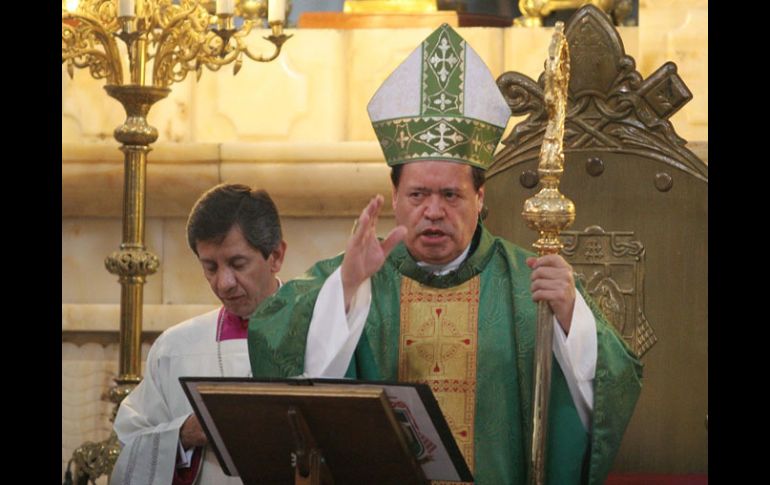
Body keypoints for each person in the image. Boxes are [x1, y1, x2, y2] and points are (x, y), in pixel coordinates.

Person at [248, 24, 642, 485]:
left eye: (451, 195)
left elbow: (617, 383)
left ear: (480, 197)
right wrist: (347, 290)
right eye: (417, 195)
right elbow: (275, 348)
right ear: (394, 198)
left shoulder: (526, 283)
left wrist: (572, 317)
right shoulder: (354, 276)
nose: (433, 212)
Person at [111, 184, 287, 485]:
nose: (223, 283)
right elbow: (130, 447)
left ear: (276, 256)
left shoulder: (320, 336)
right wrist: (183, 434)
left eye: (237, 263)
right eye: (210, 267)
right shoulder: (174, 348)